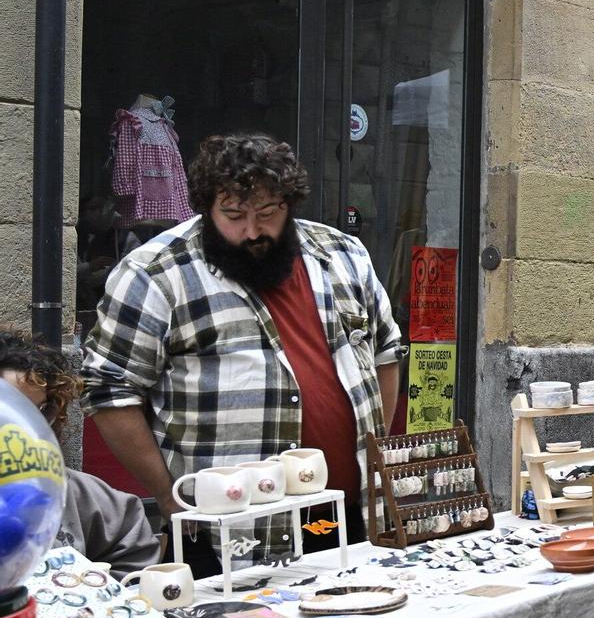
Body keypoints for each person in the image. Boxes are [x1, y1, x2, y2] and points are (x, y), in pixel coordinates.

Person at [79, 134, 404, 552]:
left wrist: (372, 457)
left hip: (349, 515)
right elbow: (109, 391)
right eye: (232, 215)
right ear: (206, 207)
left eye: (267, 212)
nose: (252, 231)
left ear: (289, 203)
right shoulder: (154, 274)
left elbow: (385, 354)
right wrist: (166, 496)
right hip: (224, 534)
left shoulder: (343, 255)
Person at [0, 328, 159, 573]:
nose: (24, 426)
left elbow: (129, 537)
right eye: (10, 411)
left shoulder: (72, 490)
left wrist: (102, 599)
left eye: (39, 411)